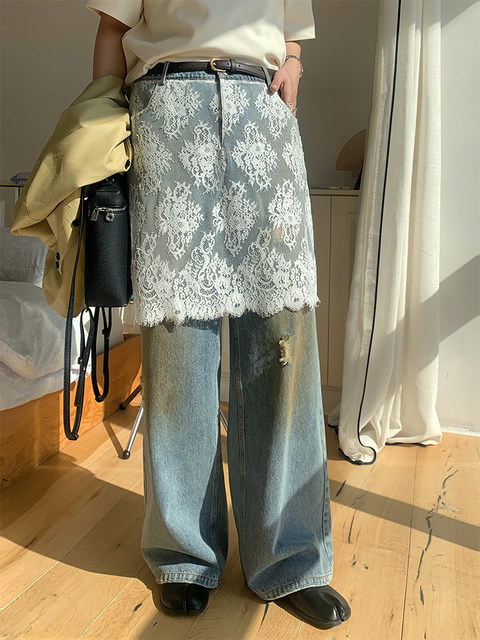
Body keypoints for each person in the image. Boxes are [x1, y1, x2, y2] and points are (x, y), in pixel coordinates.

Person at [88, 0, 351, 630]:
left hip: (262, 109)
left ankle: (290, 556)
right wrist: (101, 137)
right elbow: (112, 28)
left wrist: (292, 61)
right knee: (178, 344)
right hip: (168, 113)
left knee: (282, 337)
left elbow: (291, 25)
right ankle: (184, 554)